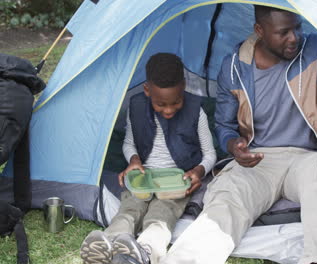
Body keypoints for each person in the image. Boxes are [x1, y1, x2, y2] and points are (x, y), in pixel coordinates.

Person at [160, 6, 317, 264]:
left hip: (308, 156)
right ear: (260, 31)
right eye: (284, 32)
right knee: (228, 196)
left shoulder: (315, 50)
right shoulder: (235, 67)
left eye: (297, 27)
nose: (295, 37)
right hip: (259, 159)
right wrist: (234, 145)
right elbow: (224, 125)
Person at [79, 53, 216, 264]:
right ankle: (108, 243)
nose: (169, 110)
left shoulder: (197, 111)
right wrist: (134, 160)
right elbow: (128, 143)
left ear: (184, 88)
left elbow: (210, 154)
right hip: (143, 177)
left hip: (176, 180)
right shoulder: (136, 107)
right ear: (147, 91)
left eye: (176, 102)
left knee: (162, 215)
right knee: (129, 209)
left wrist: (199, 171)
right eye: (161, 104)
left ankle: (146, 251)